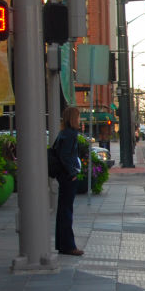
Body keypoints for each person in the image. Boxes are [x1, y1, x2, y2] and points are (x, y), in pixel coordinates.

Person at [54, 106, 84, 256]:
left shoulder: (63, 133)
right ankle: (68, 246)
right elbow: (66, 155)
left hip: (62, 175)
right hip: (67, 176)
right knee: (66, 211)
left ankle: (62, 244)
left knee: (63, 210)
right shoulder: (71, 134)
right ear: (73, 118)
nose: (80, 120)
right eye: (78, 117)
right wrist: (72, 172)